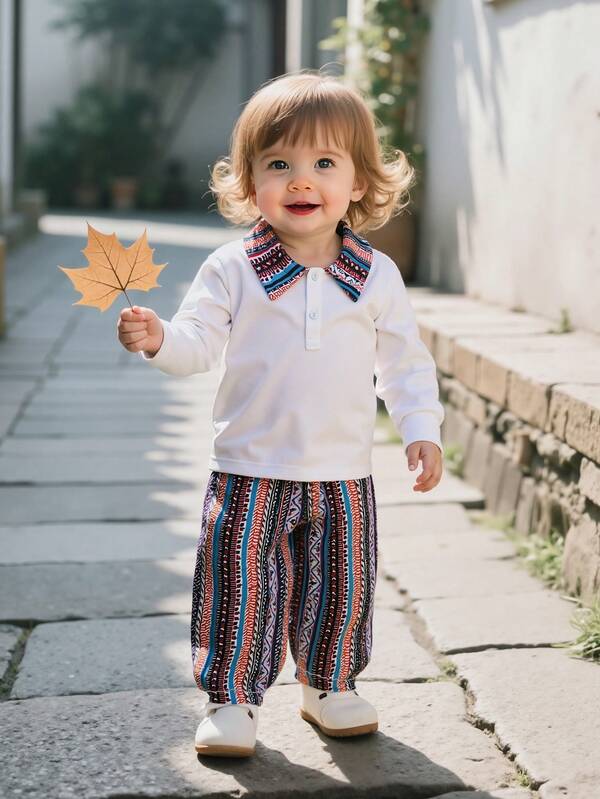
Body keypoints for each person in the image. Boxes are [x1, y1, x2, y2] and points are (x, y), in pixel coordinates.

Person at [117, 69, 445, 758]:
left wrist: (421, 430)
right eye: (279, 164)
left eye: (324, 163)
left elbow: (405, 362)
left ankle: (329, 684)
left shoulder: (374, 275)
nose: (302, 181)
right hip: (248, 467)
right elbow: (197, 343)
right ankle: (232, 696)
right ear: (248, 181)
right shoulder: (231, 269)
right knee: (239, 582)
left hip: (342, 471)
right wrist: (159, 341)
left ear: (358, 182)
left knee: (343, 585)